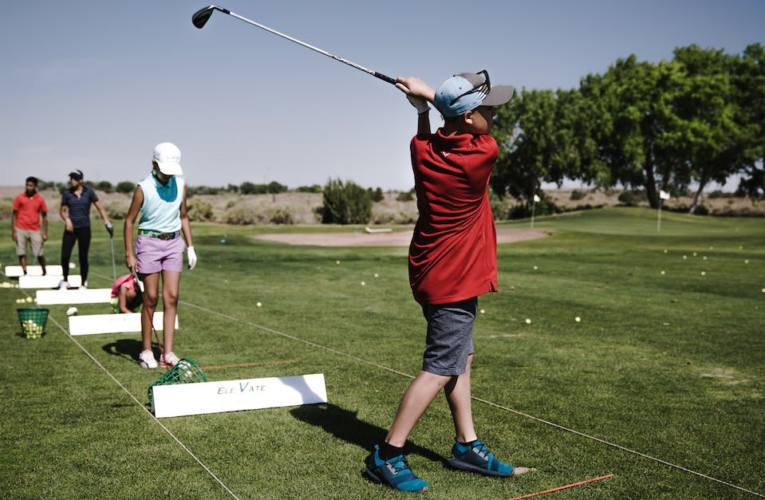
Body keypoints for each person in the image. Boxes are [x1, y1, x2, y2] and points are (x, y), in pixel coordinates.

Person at [364, 72, 534, 492]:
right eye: (488, 109)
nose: (494, 115)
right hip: (455, 278)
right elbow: (461, 128)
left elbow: (428, 135)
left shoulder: (421, 148)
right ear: (471, 118)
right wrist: (427, 101)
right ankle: (387, 454)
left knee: (460, 358)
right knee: (440, 368)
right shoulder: (483, 154)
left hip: (428, 271)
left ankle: (466, 445)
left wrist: (424, 109)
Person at [124, 142, 197, 369]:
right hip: (149, 243)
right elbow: (129, 221)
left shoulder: (181, 184)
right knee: (151, 297)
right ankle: (146, 350)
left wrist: (190, 246)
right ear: (154, 164)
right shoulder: (143, 188)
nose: (168, 176)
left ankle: (168, 353)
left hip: (174, 243)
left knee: (172, 297)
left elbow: (183, 215)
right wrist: (130, 254)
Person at [59, 170, 113, 289]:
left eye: (75, 178)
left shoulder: (89, 192)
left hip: (84, 228)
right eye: (71, 178)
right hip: (70, 229)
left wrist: (106, 221)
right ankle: (65, 280)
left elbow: (100, 208)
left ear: (81, 180)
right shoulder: (67, 193)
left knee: (83, 256)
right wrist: (67, 220)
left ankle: (83, 283)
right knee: (65, 256)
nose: (72, 180)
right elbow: (62, 211)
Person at [12, 177, 48, 275]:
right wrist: (14, 231)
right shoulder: (19, 198)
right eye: (27, 185)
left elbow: (44, 216)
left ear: (35, 186)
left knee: (39, 253)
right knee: (21, 252)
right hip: (20, 228)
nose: (28, 187)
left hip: (35, 229)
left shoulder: (40, 199)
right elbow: (14, 214)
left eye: (31, 185)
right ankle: (25, 272)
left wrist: (45, 233)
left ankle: (44, 271)